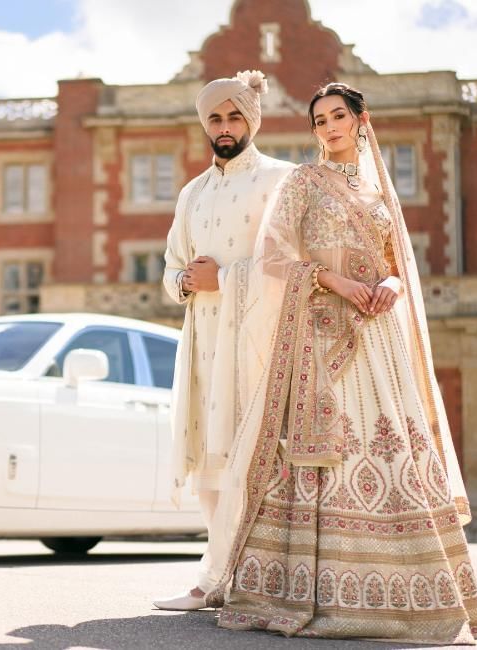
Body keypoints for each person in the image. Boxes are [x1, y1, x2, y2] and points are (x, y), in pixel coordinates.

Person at [203, 82, 477, 643]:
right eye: (320, 121)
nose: (330, 127)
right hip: (320, 334)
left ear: (362, 120)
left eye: (339, 116)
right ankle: (309, 588)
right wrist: (330, 279)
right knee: (328, 450)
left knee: (390, 444)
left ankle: (405, 593)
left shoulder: (381, 197)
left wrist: (386, 283)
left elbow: (395, 265)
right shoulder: (303, 183)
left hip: (378, 337)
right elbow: (271, 257)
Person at [153, 70, 294, 611]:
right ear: (204, 124)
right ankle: (214, 578)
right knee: (210, 463)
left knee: (252, 460)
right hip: (202, 340)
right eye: (215, 117)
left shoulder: (281, 179)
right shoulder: (192, 192)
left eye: (235, 115)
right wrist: (187, 281)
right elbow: (170, 268)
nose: (225, 126)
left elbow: (292, 263)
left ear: (252, 119)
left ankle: (254, 579)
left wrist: (227, 277)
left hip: (256, 339)